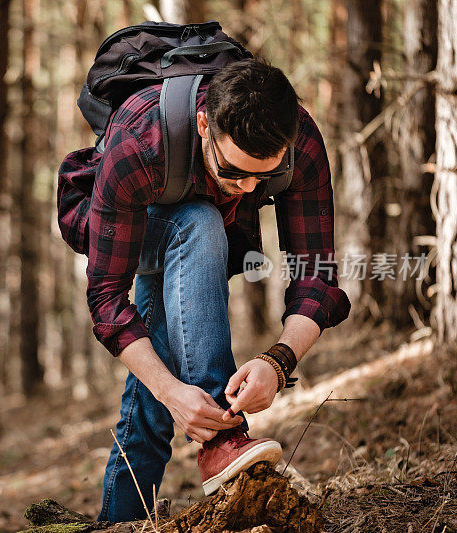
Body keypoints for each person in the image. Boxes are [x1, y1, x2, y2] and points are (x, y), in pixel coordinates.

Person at [61, 58, 351, 522]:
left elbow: (316, 276)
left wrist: (277, 363)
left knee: (154, 397)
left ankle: (119, 524)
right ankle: (223, 439)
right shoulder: (140, 141)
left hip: (206, 237)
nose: (248, 188)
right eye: (235, 171)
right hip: (130, 228)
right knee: (198, 222)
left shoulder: (301, 142)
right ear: (203, 125)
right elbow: (108, 301)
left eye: (263, 176)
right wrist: (173, 391)